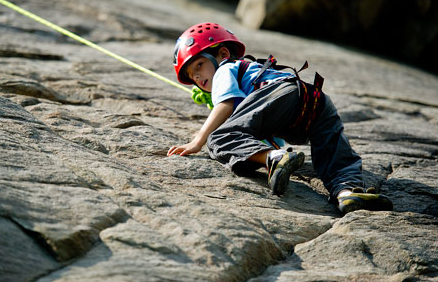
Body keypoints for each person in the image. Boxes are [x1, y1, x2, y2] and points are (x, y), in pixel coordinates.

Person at [167, 22, 393, 214]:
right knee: (335, 155)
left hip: (279, 94)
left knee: (218, 139)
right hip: (313, 98)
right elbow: (259, 132)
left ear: (223, 54)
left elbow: (225, 105)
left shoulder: (225, 70)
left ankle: (273, 158)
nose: (197, 76)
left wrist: (198, 141)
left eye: (199, 65)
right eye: (192, 75)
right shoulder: (250, 72)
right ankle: (348, 193)